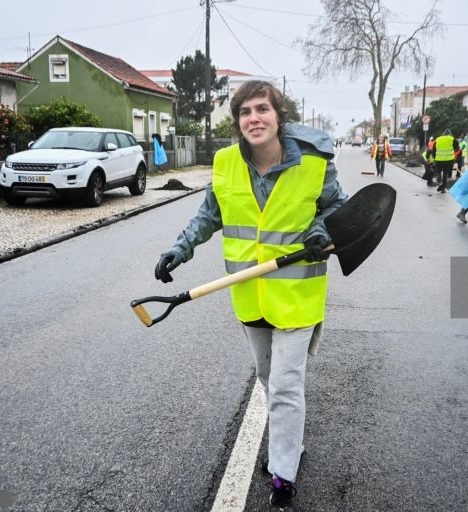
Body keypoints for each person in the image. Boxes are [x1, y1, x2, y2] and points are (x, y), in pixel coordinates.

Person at [153, 80, 347, 509]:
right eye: (245, 112)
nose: (253, 119)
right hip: (247, 294)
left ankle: (283, 473)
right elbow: (210, 215)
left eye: (262, 109)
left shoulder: (314, 163)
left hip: (298, 294)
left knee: (285, 384)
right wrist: (179, 249)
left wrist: (321, 231)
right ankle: (290, 446)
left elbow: (338, 207)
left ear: (279, 116)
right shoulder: (225, 163)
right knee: (266, 379)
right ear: (237, 120)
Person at [433, 128, 460, 193]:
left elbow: (434, 150)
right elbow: (457, 147)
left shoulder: (438, 139)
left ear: (443, 133)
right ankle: (443, 189)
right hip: (449, 159)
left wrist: (435, 158)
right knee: (445, 173)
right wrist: (453, 151)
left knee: (438, 171)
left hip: (439, 159)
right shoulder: (452, 139)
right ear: (449, 133)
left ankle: (439, 182)